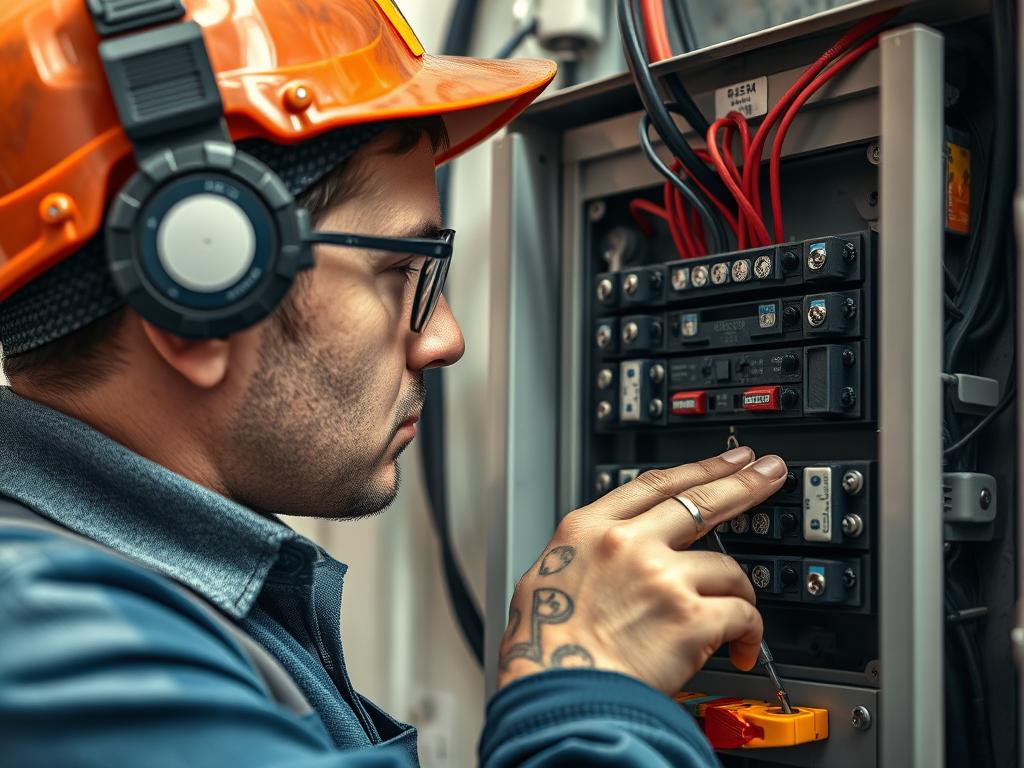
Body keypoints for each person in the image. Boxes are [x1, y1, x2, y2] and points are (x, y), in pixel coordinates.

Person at [0, 1, 788, 765]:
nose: (445, 338)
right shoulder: (56, 648)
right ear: (198, 297)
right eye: (402, 270)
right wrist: (587, 684)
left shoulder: (131, 607)